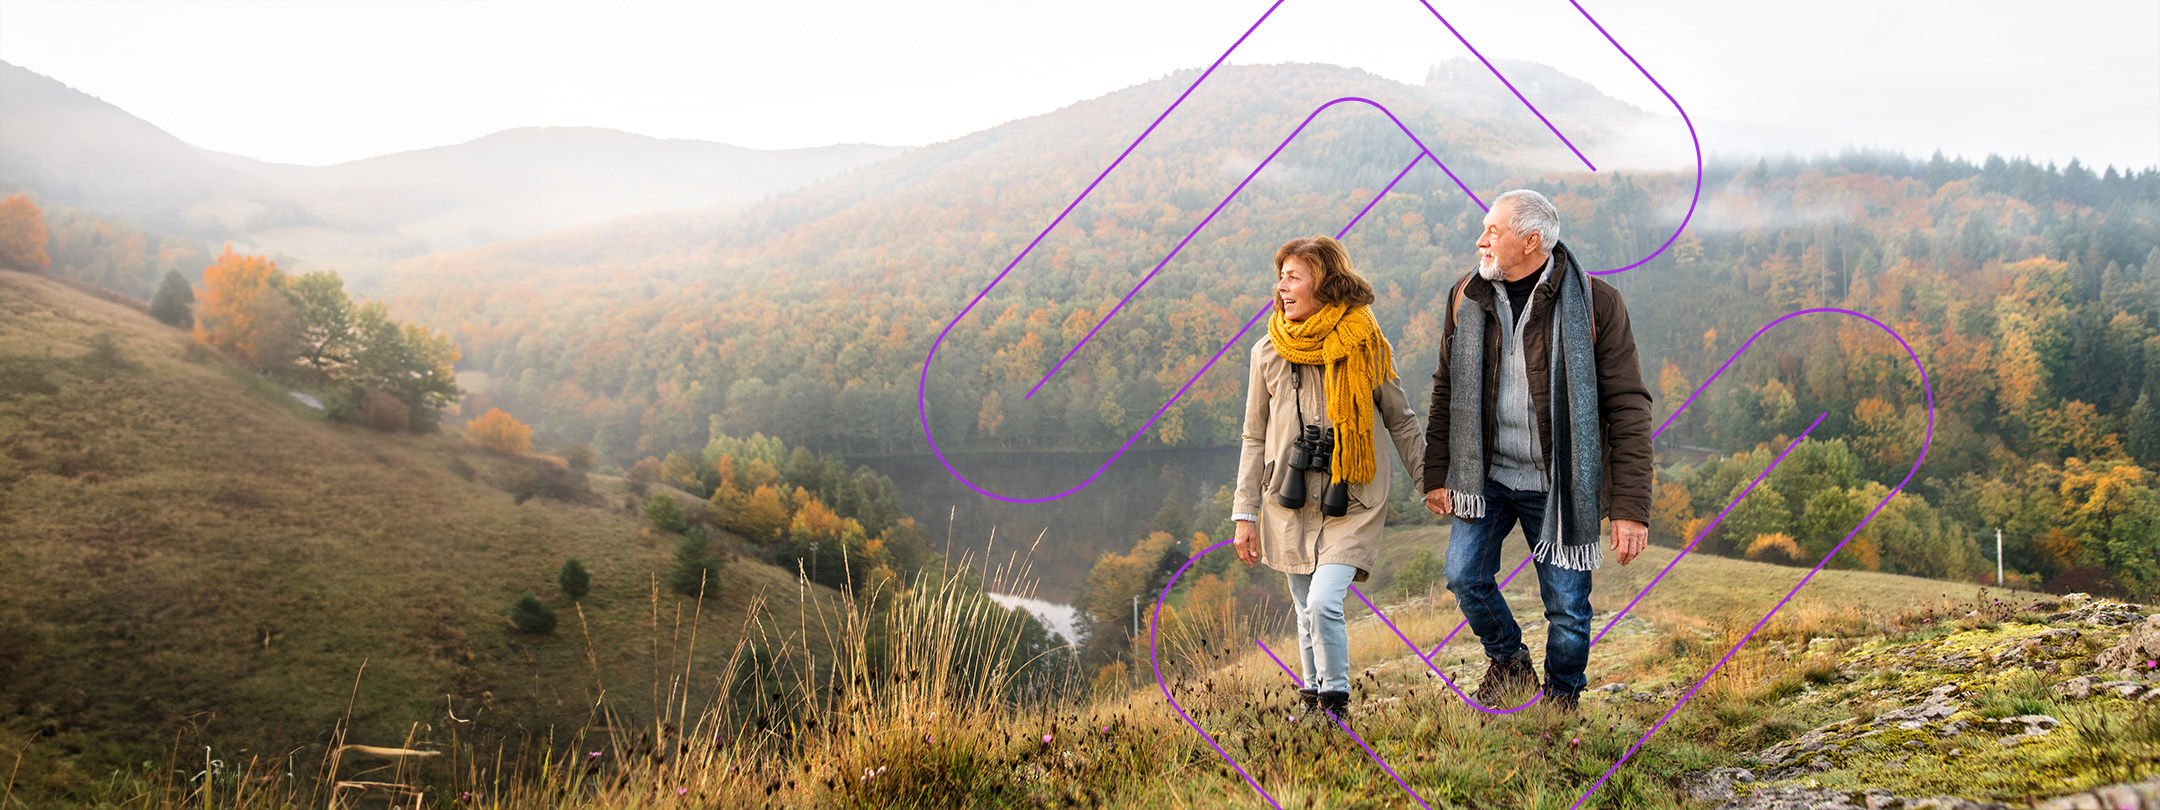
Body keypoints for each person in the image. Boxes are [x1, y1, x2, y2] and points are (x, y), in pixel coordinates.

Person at [1420, 189, 1654, 714]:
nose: (1480, 241)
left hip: (1559, 484)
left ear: (1531, 242)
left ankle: (1561, 703)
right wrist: (1437, 472)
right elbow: (1445, 388)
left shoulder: (1596, 303)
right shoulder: (1467, 296)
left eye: (1493, 232)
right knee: (1464, 575)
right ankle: (1510, 663)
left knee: (1568, 608)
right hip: (1489, 475)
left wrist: (1630, 509)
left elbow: (1629, 408)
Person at [1232, 235, 1426, 730]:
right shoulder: (1267, 352)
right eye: (1281, 276)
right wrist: (1245, 512)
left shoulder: (1365, 346)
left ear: (1324, 283)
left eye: (1293, 277)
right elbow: (1254, 436)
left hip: (1353, 496)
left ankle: (1335, 707)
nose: (1282, 288)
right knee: (1303, 606)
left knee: (1322, 602)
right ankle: (1312, 699)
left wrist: (1430, 482)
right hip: (1288, 500)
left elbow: (1401, 420)